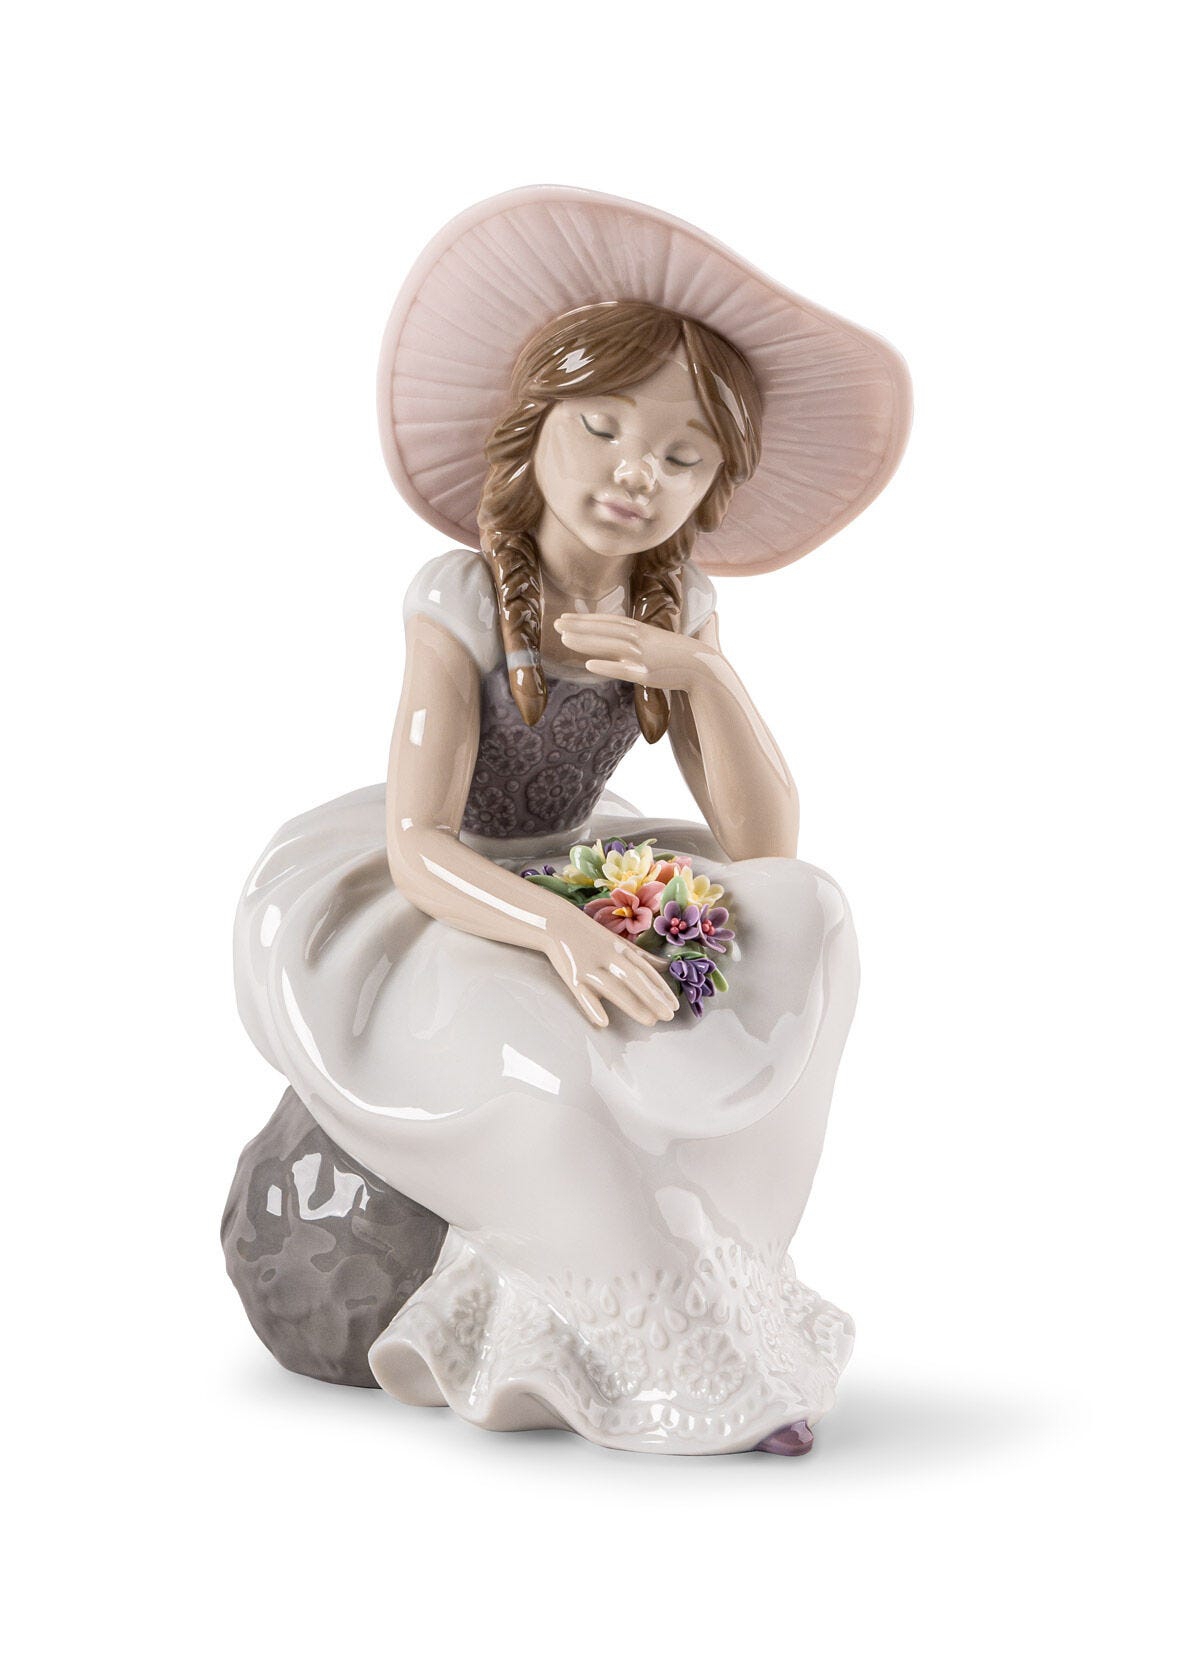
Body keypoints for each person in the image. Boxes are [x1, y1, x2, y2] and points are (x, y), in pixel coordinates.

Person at [233, 186, 911, 1455]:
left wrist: (704, 674)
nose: (634, 472)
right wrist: (563, 932)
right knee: (545, 1048)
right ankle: (655, 1333)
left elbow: (766, 845)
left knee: (810, 914)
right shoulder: (462, 595)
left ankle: (736, 1266)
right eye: (604, 427)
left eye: (682, 456)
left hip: (586, 863)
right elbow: (422, 842)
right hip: (452, 887)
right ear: (535, 424)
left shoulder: (678, 604)